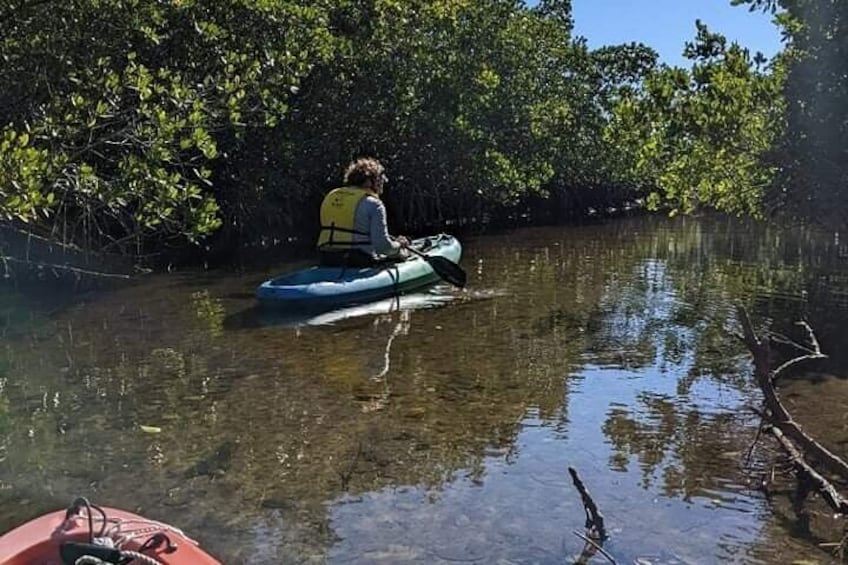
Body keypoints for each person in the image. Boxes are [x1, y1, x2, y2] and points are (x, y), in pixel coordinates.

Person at [316, 157, 410, 267]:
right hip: (358, 260)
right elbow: (382, 247)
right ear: (369, 182)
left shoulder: (331, 196)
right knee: (400, 255)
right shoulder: (374, 204)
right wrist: (399, 245)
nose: (382, 183)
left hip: (327, 259)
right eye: (379, 179)